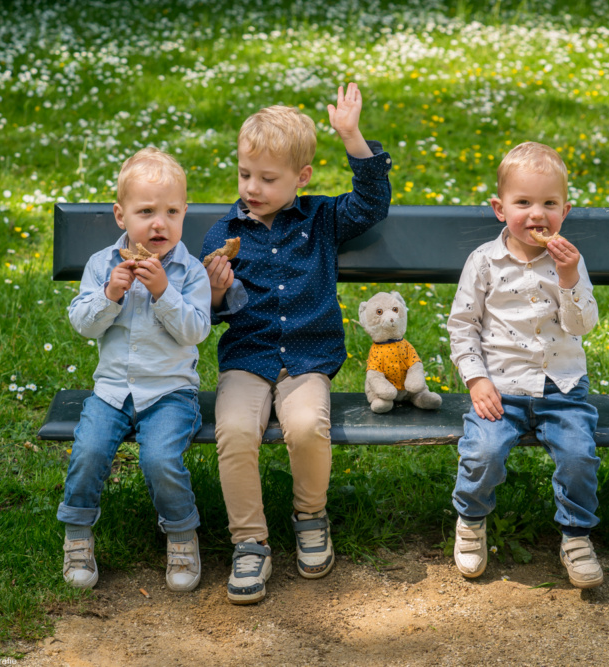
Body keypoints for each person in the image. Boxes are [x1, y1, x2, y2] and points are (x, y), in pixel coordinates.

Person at [201, 83, 392, 604]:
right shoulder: (222, 234)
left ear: (301, 178)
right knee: (234, 429)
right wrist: (215, 292)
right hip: (247, 357)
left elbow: (372, 203)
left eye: (268, 179)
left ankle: (310, 517)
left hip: (308, 359)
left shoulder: (321, 219)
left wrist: (351, 136)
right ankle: (249, 542)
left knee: (307, 426)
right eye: (245, 174)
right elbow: (208, 316)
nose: (252, 188)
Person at [446, 141, 604, 588]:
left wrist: (569, 279)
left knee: (578, 456)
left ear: (565, 211)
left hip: (562, 387)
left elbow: (582, 325)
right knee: (483, 452)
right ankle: (471, 520)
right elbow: (462, 326)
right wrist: (476, 380)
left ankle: (576, 535)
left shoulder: (569, 262)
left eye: (549, 204)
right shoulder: (484, 262)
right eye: (524, 203)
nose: (538, 214)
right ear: (500, 209)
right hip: (500, 388)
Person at [58, 147, 211, 592]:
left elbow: (196, 331)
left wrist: (164, 293)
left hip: (170, 393)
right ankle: (77, 533)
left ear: (184, 214)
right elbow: (82, 324)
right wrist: (109, 296)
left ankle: (181, 535)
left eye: (171, 212)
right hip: (111, 391)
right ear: (120, 215)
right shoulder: (101, 266)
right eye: (146, 212)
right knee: (88, 452)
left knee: (160, 457)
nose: (159, 224)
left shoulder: (190, 272)